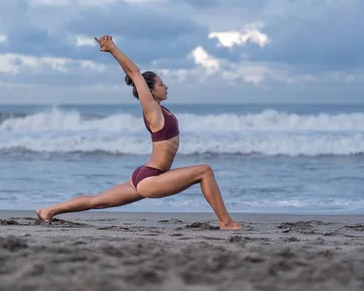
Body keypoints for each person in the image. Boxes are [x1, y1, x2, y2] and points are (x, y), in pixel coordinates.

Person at [36, 35, 242, 230]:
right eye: (161, 84)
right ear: (150, 91)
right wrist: (112, 49)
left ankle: (49, 211)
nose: (166, 87)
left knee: (96, 201)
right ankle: (226, 222)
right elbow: (135, 73)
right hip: (150, 180)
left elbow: (134, 76)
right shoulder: (152, 110)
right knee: (204, 171)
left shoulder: (161, 110)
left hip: (147, 175)